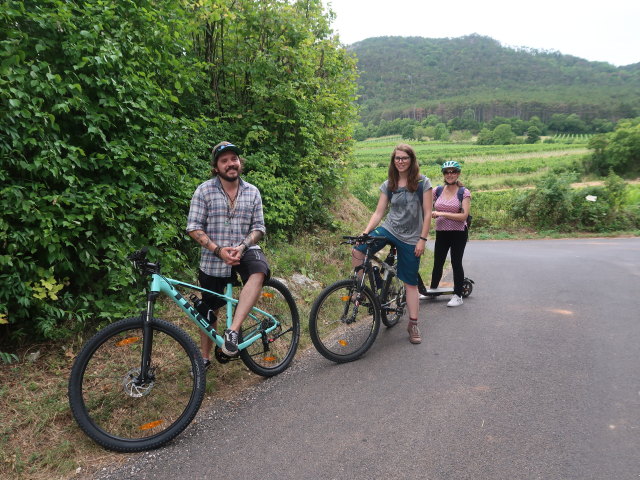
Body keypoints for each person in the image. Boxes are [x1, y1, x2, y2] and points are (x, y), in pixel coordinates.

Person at [186, 141, 269, 365]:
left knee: (259, 271)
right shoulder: (204, 190)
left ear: (240, 163)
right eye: (224, 161)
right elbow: (193, 227)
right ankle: (204, 358)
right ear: (216, 167)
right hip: (213, 258)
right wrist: (218, 250)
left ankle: (232, 331)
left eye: (234, 159)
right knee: (208, 311)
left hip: (245, 250)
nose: (231, 164)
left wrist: (242, 247)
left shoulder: (252, 192)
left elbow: (259, 227)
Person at [352, 144, 432, 344]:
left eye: (404, 158)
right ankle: (364, 289)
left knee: (410, 282)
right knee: (358, 250)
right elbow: (379, 212)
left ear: (412, 160)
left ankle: (413, 324)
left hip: (412, 237)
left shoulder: (423, 182)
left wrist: (422, 239)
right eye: (397, 158)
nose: (400, 161)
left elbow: (428, 213)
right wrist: (365, 232)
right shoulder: (389, 184)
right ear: (393, 160)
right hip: (390, 228)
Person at [429, 160, 471, 307]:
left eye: (453, 171)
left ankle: (458, 295)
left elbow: (464, 216)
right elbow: (425, 204)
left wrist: (441, 213)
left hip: (458, 232)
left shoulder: (463, 192)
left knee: (455, 262)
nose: (450, 174)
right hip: (442, 232)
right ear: (443, 174)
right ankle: (432, 291)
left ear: (458, 174)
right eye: (447, 172)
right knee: (438, 262)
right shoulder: (437, 190)